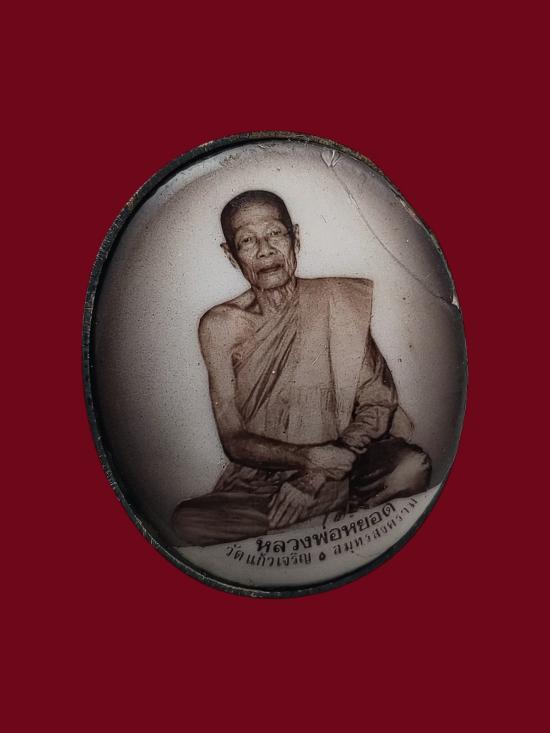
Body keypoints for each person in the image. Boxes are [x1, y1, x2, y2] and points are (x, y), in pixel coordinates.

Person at [172, 190, 431, 546]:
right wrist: (307, 458)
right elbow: (233, 439)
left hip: (343, 463)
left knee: (409, 466)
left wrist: (315, 476)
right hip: (262, 481)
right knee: (188, 522)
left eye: (275, 233)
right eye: (247, 240)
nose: (265, 250)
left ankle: (306, 514)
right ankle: (325, 517)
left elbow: (378, 401)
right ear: (230, 255)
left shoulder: (336, 302)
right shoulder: (221, 327)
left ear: (296, 237)